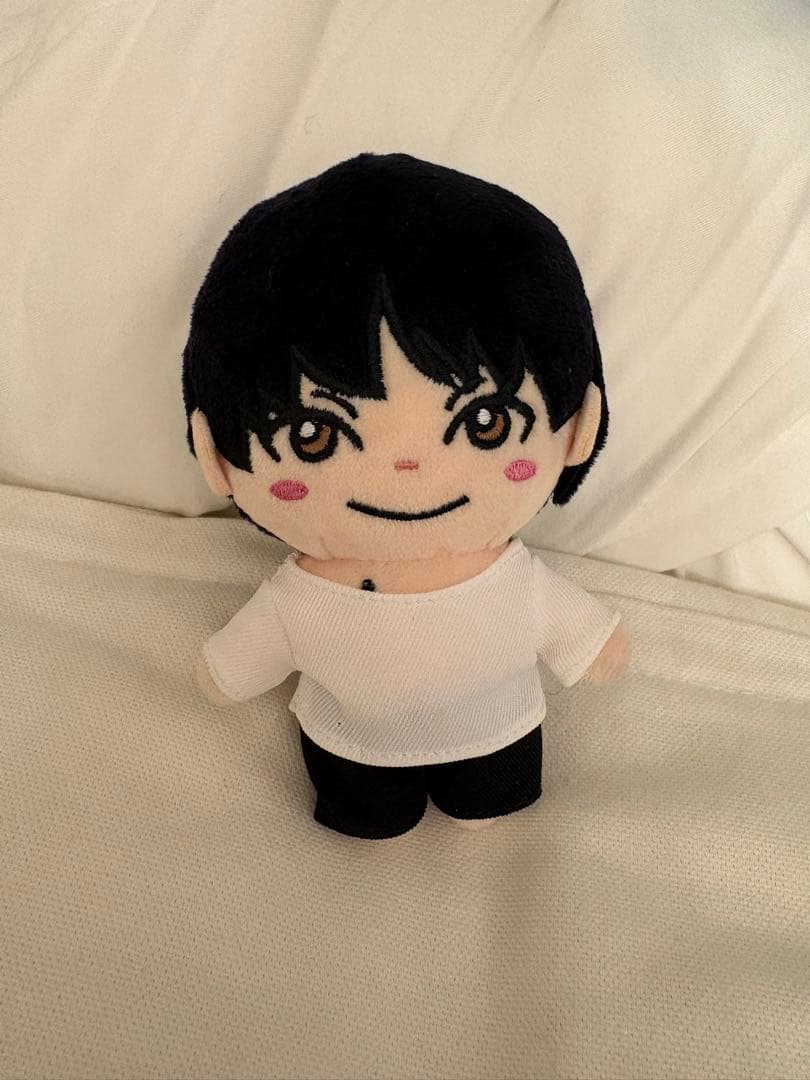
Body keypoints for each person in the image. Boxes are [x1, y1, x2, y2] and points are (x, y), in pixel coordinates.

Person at [182, 152, 629, 840]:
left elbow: (562, 619)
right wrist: (227, 672)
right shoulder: (302, 596)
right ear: (220, 457)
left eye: (485, 422)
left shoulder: (509, 578)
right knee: (369, 816)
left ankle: (480, 795)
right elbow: (247, 655)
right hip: (352, 741)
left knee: (493, 797)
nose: (408, 468)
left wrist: (593, 644)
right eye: (315, 436)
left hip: (495, 727)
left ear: (579, 428)